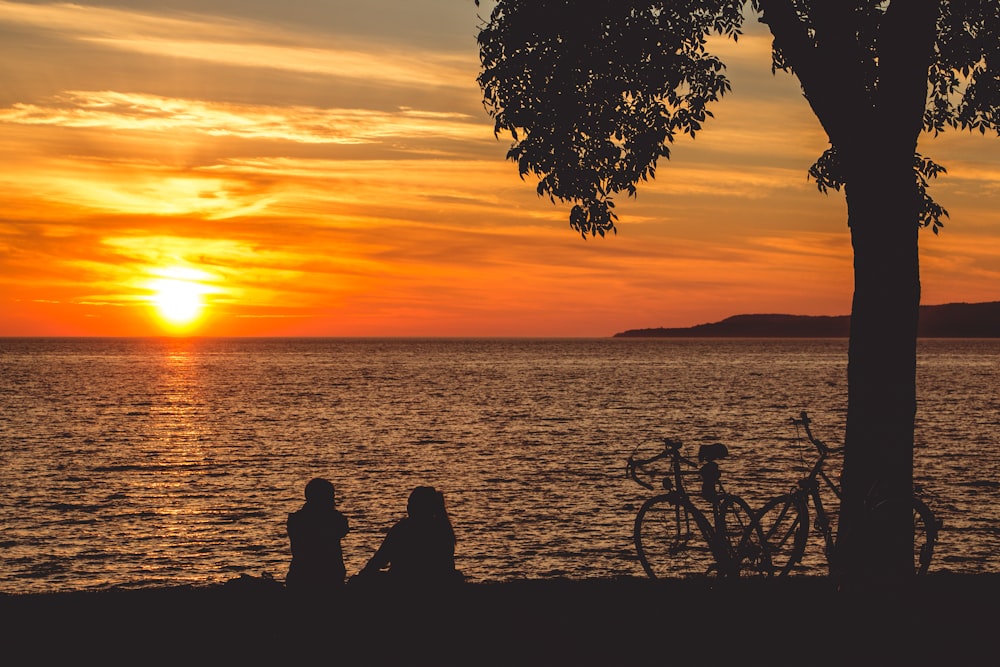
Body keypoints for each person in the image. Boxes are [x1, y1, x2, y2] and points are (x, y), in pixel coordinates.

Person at [358, 485, 462, 586]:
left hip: (402, 581)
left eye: (412, 503)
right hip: (437, 581)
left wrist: (362, 576)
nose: (408, 506)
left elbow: (379, 559)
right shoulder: (442, 528)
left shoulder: (401, 529)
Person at [285, 477, 350, 596]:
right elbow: (343, 529)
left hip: (300, 577)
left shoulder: (296, 520)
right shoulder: (331, 520)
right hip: (328, 579)